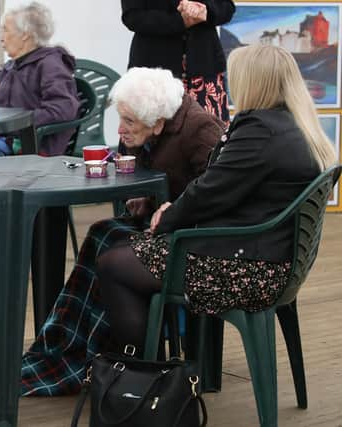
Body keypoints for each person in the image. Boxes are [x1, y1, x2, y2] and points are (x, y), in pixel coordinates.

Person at [95, 44, 337, 360]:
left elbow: (210, 191)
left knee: (112, 263)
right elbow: (223, 188)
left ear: (253, 81)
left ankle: (139, 373)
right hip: (272, 260)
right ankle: (147, 363)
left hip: (246, 267)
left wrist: (168, 216)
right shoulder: (292, 126)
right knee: (122, 251)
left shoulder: (258, 130)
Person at [20, 67, 224, 396]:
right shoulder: (144, 128)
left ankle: (144, 366)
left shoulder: (200, 130)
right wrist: (145, 200)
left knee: (113, 256)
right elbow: (136, 168)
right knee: (101, 233)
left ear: (158, 121)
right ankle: (71, 346)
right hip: (159, 226)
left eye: (129, 122)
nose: (120, 129)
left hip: (192, 237)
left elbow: (217, 192)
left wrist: (171, 208)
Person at [121, 0, 235, 125]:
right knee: (153, 136)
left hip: (205, 68)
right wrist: (180, 21)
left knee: (210, 135)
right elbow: (132, 16)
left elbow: (227, 7)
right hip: (153, 73)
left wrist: (205, 11)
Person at [0, 1, 79, 157]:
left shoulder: (50, 64)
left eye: (5, 30)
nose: (1, 38)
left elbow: (63, 108)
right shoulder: (10, 67)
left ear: (25, 34)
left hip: (29, 147)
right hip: (2, 139)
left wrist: (16, 124)